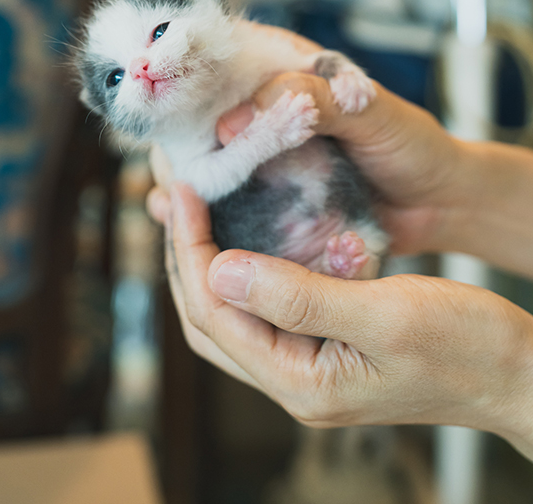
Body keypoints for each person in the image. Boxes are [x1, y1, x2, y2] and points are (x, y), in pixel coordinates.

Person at [148, 24, 533, 461]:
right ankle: (339, 266)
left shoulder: (246, 52)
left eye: (159, 32)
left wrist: (511, 378)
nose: (144, 67)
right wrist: (455, 187)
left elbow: (313, 67)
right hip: (313, 217)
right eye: (116, 78)